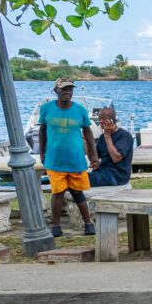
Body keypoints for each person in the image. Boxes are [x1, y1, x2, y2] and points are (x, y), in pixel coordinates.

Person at [38, 78, 98, 237]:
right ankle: (56, 226)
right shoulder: (46, 109)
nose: (67, 92)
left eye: (70, 89)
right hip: (55, 158)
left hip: (76, 158)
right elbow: (42, 131)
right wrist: (42, 152)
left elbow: (88, 132)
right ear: (56, 91)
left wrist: (94, 154)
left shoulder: (80, 110)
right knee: (57, 193)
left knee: (78, 192)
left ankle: (88, 223)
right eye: (64, 89)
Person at [89, 106, 134, 187]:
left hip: (117, 176)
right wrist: (87, 142)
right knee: (77, 177)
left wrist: (107, 135)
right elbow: (94, 157)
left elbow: (116, 158)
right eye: (100, 119)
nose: (100, 122)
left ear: (112, 121)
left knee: (83, 180)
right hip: (102, 172)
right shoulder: (102, 137)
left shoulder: (124, 136)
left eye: (103, 119)